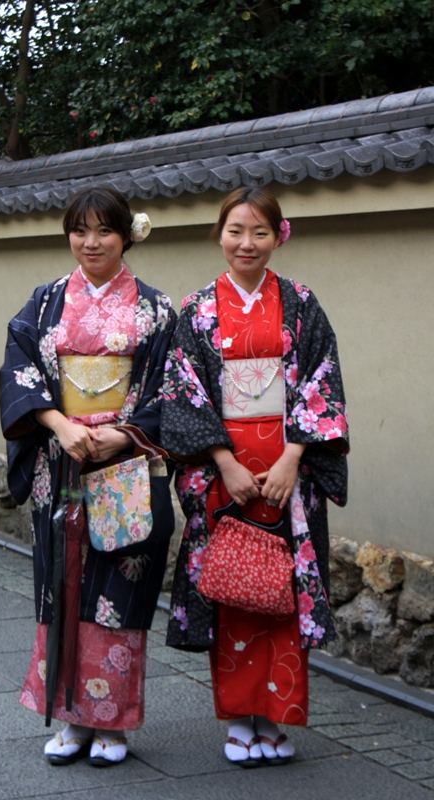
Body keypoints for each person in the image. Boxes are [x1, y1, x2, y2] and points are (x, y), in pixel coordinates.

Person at [160, 187, 349, 767]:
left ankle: (278, 715)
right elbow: (182, 394)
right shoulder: (195, 311)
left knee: (283, 593)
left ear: (278, 236)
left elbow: (322, 379)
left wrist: (295, 456)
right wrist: (223, 462)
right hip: (226, 474)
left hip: (290, 475)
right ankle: (240, 717)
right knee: (234, 589)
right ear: (219, 234)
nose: (247, 243)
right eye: (236, 231)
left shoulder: (301, 303)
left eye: (259, 232)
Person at [0, 185, 176, 767]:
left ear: (127, 235)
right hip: (61, 462)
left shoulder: (156, 311)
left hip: (125, 465)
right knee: (62, 584)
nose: (90, 242)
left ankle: (113, 724)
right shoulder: (45, 302)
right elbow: (18, 368)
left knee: (118, 592)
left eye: (104, 230)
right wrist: (57, 423)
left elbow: (169, 391)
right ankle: (71, 716)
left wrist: (124, 434)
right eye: (80, 230)